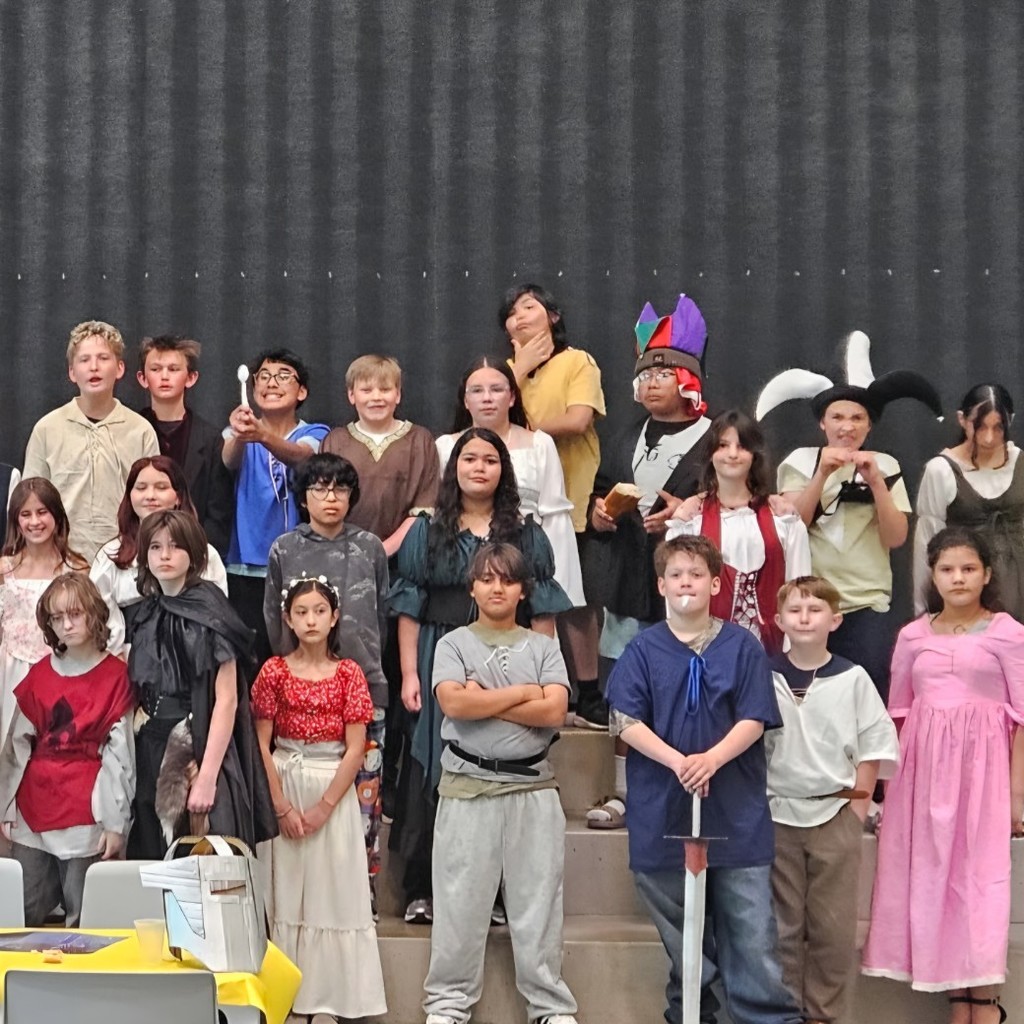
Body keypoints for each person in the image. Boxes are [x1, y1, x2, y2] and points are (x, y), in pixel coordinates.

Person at [605, 534, 801, 1024]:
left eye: (696, 574)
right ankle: (694, 1014)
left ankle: (764, 1018)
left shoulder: (742, 646)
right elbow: (625, 719)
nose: (686, 582)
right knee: (687, 940)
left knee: (752, 937)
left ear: (715, 583)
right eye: (676, 574)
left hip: (734, 812)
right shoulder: (644, 649)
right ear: (661, 585)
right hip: (663, 811)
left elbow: (754, 717)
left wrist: (710, 759)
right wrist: (679, 762)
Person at [389, 427, 572, 924]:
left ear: (503, 471)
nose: (478, 468)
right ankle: (421, 888)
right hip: (437, 653)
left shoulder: (526, 534)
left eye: (490, 460)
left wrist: (546, 674)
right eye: (469, 459)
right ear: (454, 469)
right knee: (433, 766)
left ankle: (492, 896)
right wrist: (410, 673)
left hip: (513, 655)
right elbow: (409, 606)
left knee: (497, 761)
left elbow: (544, 611)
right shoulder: (427, 530)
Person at [862, 527, 1024, 1024]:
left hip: (986, 775)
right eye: (948, 569)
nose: (958, 578)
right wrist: (888, 794)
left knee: (980, 884)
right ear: (932, 575)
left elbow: (1022, 716)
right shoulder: (912, 636)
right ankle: (958, 1003)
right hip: (922, 776)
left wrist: (1017, 793)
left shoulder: (1008, 632)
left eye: (969, 568)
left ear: (987, 575)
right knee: (932, 879)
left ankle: (985, 1004)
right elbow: (899, 717)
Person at [423, 543, 578, 1024]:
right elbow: (454, 705)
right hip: (467, 788)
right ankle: (448, 1005)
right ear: (472, 586)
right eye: (487, 579)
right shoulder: (452, 644)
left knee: (538, 906)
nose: (496, 588)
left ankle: (550, 1008)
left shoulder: (544, 646)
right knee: (459, 906)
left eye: (507, 580)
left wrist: (486, 696)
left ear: (522, 591)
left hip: (532, 790)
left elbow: (554, 712)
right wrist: (523, 694)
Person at [584, 294, 712, 827]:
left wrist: (687, 511)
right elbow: (597, 496)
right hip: (629, 583)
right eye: (646, 374)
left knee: (689, 690)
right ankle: (624, 791)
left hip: (689, 589)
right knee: (627, 690)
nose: (653, 382)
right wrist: (600, 516)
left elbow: (741, 500)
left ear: (688, 380)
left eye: (665, 372)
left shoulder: (715, 439)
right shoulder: (623, 439)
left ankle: (690, 788)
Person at [761, 330, 943, 701]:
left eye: (857, 417)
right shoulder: (799, 461)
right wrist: (822, 475)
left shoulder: (886, 464)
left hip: (867, 601)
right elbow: (792, 525)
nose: (847, 426)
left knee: (867, 692)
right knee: (809, 694)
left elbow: (896, 538)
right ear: (822, 423)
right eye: (837, 417)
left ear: (869, 425)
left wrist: (876, 482)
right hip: (810, 600)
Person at [766, 576, 898, 1024]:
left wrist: (856, 808)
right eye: (795, 610)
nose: (805, 617)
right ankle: (783, 1014)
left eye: (816, 609)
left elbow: (874, 745)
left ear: (836, 619)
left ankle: (823, 1016)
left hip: (835, 813)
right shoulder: (765, 675)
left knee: (833, 931)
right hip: (777, 814)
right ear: (778, 619)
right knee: (782, 928)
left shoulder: (853, 677)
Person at [253, 577, 387, 1020]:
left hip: (333, 785)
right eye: (301, 612)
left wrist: (324, 806)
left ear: (334, 618)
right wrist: (282, 807)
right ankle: (288, 995)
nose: (311, 620)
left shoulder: (349, 673)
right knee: (287, 890)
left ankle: (330, 997)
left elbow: (356, 747)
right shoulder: (273, 671)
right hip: (286, 778)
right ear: (288, 618)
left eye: (319, 611)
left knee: (333, 891)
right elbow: (262, 745)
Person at [262, 453, 389, 905]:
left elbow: (382, 616)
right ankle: (303, 904)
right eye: (319, 488)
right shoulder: (284, 549)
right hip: (299, 693)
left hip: (364, 690)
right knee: (299, 808)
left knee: (363, 808)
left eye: (339, 488)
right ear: (304, 497)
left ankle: (361, 902)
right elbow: (274, 626)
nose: (330, 497)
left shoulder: (371, 547)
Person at [126, 509, 276, 858]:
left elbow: (227, 700)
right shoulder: (147, 612)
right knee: (150, 851)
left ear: (193, 553)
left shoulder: (212, 612)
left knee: (195, 858)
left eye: (175, 546)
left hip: (195, 743)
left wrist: (207, 776)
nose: (164, 555)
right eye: (156, 547)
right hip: (148, 741)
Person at [0, 573, 134, 927]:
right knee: (21, 913)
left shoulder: (115, 676)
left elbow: (120, 758)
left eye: (74, 614)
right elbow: (16, 749)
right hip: (34, 808)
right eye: (56, 618)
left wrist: (116, 823)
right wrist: (4, 808)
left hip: (88, 809)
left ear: (93, 613)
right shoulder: (40, 674)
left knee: (86, 917)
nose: (66, 625)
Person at [502, 284, 606, 728]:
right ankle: (534, 690)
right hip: (513, 504)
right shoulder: (505, 371)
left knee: (573, 601)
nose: (520, 316)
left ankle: (589, 691)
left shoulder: (576, 361)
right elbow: (488, 424)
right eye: (512, 312)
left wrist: (530, 432)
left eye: (530, 306)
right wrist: (518, 371)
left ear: (553, 317)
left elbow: (579, 418)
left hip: (569, 500)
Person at [436, 356, 584, 606]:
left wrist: (554, 587)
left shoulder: (540, 444)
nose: (487, 398)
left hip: (527, 569)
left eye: (496, 389)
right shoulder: (445, 447)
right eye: (477, 390)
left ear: (512, 396)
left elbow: (555, 519)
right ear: (465, 400)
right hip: (463, 570)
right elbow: (441, 513)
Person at [668, 410, 811, 655]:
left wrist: (794, 651)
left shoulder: (783, 519)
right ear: (711, 453)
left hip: (771, 651)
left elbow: (799, 585)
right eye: (723, 445)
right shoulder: (690, 522)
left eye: (742, 446)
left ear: (754, 454)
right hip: (706, 653)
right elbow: (677, 596)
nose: (732, 454)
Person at [223, 348, 328, 667]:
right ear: (252, 389)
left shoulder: (317, 432)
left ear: (302, 391)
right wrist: (242, 436)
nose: (272, 383)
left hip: (300, 564)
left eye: (284, 376)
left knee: (295, 657)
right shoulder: (236, 432)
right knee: (251, 660)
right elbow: (229, 460)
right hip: (246, 564)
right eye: (263, 377)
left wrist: (262, 435)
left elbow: (302, 456)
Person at [23, 320, 159, 561]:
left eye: (103, 358)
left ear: (119, 368)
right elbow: (29, 502)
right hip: (61, 560)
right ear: (72, 372)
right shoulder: (47, 429)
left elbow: (153, 504)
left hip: (124, 561)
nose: (94, 367)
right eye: (84, 360)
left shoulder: (141, 431)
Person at [90, 456, 228, 656]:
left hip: (189, 659)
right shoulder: (111, 555)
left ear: (178, 496)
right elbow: (98, 612)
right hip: (127, 660)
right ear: (129, 495)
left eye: (161, 487)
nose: (150, 496)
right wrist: (116, 655)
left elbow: (217, 614)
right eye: (141, 487)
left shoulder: (204, 553)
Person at [914, 383, 1024, 620]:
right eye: (980, 426)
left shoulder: (1020, 462)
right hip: (970, 588)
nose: (988, 437)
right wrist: (925, 613)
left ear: (1010, 421)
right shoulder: (941, 470)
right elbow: (927, 543)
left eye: (998, 428)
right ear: (962, 420)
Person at [321, 354, 440, 556]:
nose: (376, 397)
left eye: (385, 389)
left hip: (402, 561)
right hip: (344, 557)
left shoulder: (420, 440)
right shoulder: (335, 441)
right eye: (366, 390)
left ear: (398, 394)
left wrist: (382, 552)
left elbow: (424, 509)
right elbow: (324, 503)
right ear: (351, 395)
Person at [0, 480, 89, 747]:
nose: (35, 521)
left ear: (56, 515)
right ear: (15, 520)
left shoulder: (77, 568)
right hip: (9, 671)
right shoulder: (4, 568)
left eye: (42, 512)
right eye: (25, 514)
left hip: (60, 669)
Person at [135, 334, 234, 556]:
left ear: (191, 377)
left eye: (173, 369)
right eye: (156, 369)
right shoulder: (129, 431)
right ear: (142, 378)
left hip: (193, 553)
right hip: (137, 551)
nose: (164, 376)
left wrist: (198, 554)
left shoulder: (210, 439)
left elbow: (219, 512)